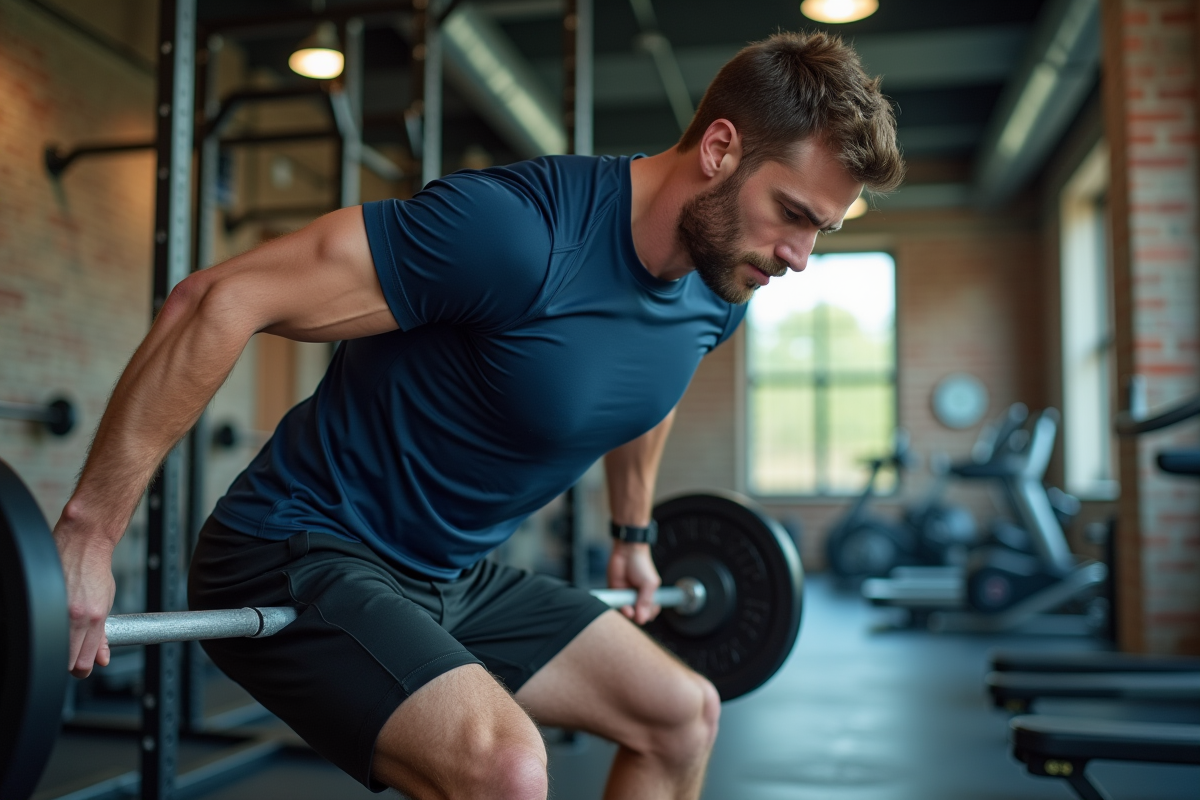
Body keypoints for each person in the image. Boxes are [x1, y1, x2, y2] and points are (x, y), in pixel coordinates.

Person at [52, 30, 902, 800]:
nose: (800, 258)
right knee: (508, 768)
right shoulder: (518, 235)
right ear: (720, 147)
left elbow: (649, 391)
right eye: (793, 215)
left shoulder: (719, 292)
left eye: (819, 231)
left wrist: (633, 535)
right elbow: (218, 300)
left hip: (453, 576)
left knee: (682, 714)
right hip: (300, 547)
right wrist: (88, 538)